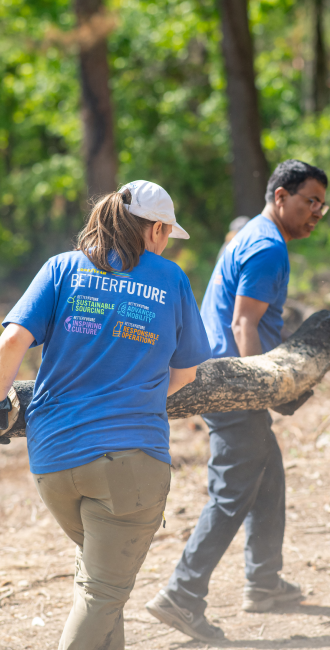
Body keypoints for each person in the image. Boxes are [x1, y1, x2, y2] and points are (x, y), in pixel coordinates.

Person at [0, 180, 211, 650]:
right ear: (155, 228)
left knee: (99, 584)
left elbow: (11, 341)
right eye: (166, 234)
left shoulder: (61, 268)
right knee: (103, 593)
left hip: (52, 460)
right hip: (129, 463)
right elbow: (188, 371)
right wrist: (143, 398)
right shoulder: (171, 279)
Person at [146, 159, 329, 642]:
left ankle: (264, 581)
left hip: (221, 376)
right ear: (280, 196)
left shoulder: (253, 236)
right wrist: (262, 387)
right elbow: (243, 324)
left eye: (322, 205)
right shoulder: (267, 247)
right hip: (232, 383)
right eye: (309, 200)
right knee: (232, 492)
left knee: (266, 471)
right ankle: (182, 594)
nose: (317, 212)